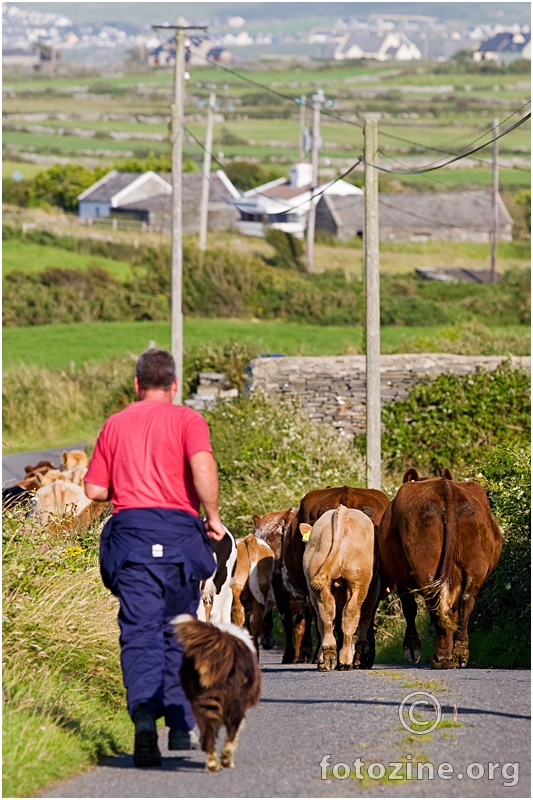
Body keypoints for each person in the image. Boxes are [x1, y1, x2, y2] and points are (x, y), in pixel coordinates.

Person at [84, 348, 226, 768]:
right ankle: (181, 724)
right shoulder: (188, 420)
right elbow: (202, 466)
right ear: (175, 384)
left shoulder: (115, 424)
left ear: (136, 384)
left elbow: (93, 491)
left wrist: (127, 481)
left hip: (132, 540)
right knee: (180, 629)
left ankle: (145, 718)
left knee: (140, 632)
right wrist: (213, 517)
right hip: (180, 539)